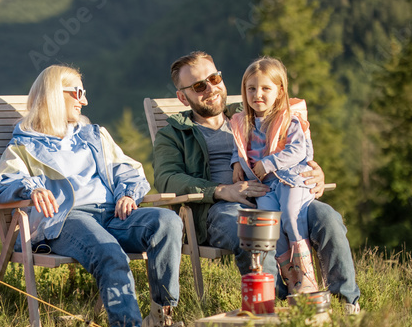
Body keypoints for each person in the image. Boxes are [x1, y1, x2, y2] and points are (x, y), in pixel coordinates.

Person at [0, 65, 185, 327]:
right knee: (108, 250)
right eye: (78, 92)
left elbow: (127, 169)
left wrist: (127, 193)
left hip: (112, 214)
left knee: (168, 222)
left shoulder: (94, 135)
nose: (84, 100)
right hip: (68, 219)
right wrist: (31, 188)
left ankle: (161, 317)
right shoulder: (23, 147)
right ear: (56, 95)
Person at [152, 51, 360, 312]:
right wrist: (221, 190)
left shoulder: (252, 115)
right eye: (198, 86)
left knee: (327, 218)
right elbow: (167, 179)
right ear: (183, 97)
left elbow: (294, 144)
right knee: (256, 233)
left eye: (214, 78)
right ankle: (275, 310)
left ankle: (345, 304)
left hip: (281, 191)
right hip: (222, 208)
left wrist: (314, 172)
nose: (211, 89)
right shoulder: (174, 134)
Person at [230, 57, 319, 296]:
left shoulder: (289, 120)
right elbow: (238, 146)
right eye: (251, 88)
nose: (257, 94)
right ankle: (289, 276)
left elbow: (298, 150)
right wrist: (235, 163)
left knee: (291, 215)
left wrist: (268, 163)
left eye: (265, 88)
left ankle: (306, 276)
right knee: (271, 224)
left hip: (290, 179)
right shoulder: (243, 122)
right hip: (266, 186)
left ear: (280, 92)